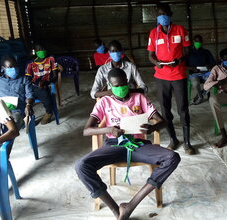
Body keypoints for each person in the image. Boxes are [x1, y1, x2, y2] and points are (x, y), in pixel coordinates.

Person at [75, 68, 180, 220]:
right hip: (114, 144)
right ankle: (116, 211)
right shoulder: (105, 101)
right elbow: (87, 130)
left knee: (172, 157)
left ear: (128, 83)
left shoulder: (139, 98)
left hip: (138, 144)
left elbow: (162, 121)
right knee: (81, 166)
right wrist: (109, 129)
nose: (121, 88)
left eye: (124, 84)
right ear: (109, 87)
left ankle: (131, 205)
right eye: (116, 86)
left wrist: (153, 127)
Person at [147, 3, 195, 154]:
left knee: (183, 109)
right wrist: (157, 64)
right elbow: (150, 55)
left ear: (170, 14)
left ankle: (187, 143)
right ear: (157, 17)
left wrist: (180, 61)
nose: (162, 16)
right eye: (159, 14)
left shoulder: (180, 30)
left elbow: (187, 50)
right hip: (161, 77)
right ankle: (173, 139)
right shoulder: (153, 34)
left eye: (165, 13)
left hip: (178, 74)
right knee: (165, 110)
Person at [0, 55, 34, 130]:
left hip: (16, 111)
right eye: (10, 67)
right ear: (3, 68)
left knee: (12, 125)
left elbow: (29, 95)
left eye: (15, 66)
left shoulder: (24, 80)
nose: (13, 69)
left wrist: (28, 104)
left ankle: (7, 139)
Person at [25, 44, 58, 124]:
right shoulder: (31, 64)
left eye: (43, 48)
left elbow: (55, 76)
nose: (41, 51)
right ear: (35, 52)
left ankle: (49, 112)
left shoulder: (51, 59)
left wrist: (47, 82)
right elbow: (28, 78)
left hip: (45, 84)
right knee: (25, 96)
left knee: (42, 91)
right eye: (39, 49)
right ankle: (30, 116)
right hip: (34, 85)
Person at [186, 34, 216, 105]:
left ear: (202, 42)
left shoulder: (206, 52)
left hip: (206, 73)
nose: (198, 43)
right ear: (193, 41)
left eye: (199, 41)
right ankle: (200, 97)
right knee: (195, 83)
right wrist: (192, 68)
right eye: (196, 41)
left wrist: (209, 66)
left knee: (213, 81)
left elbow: (213, 63)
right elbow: (184, 66)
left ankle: (201, 94)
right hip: (194, 74)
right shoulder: (189, 53)